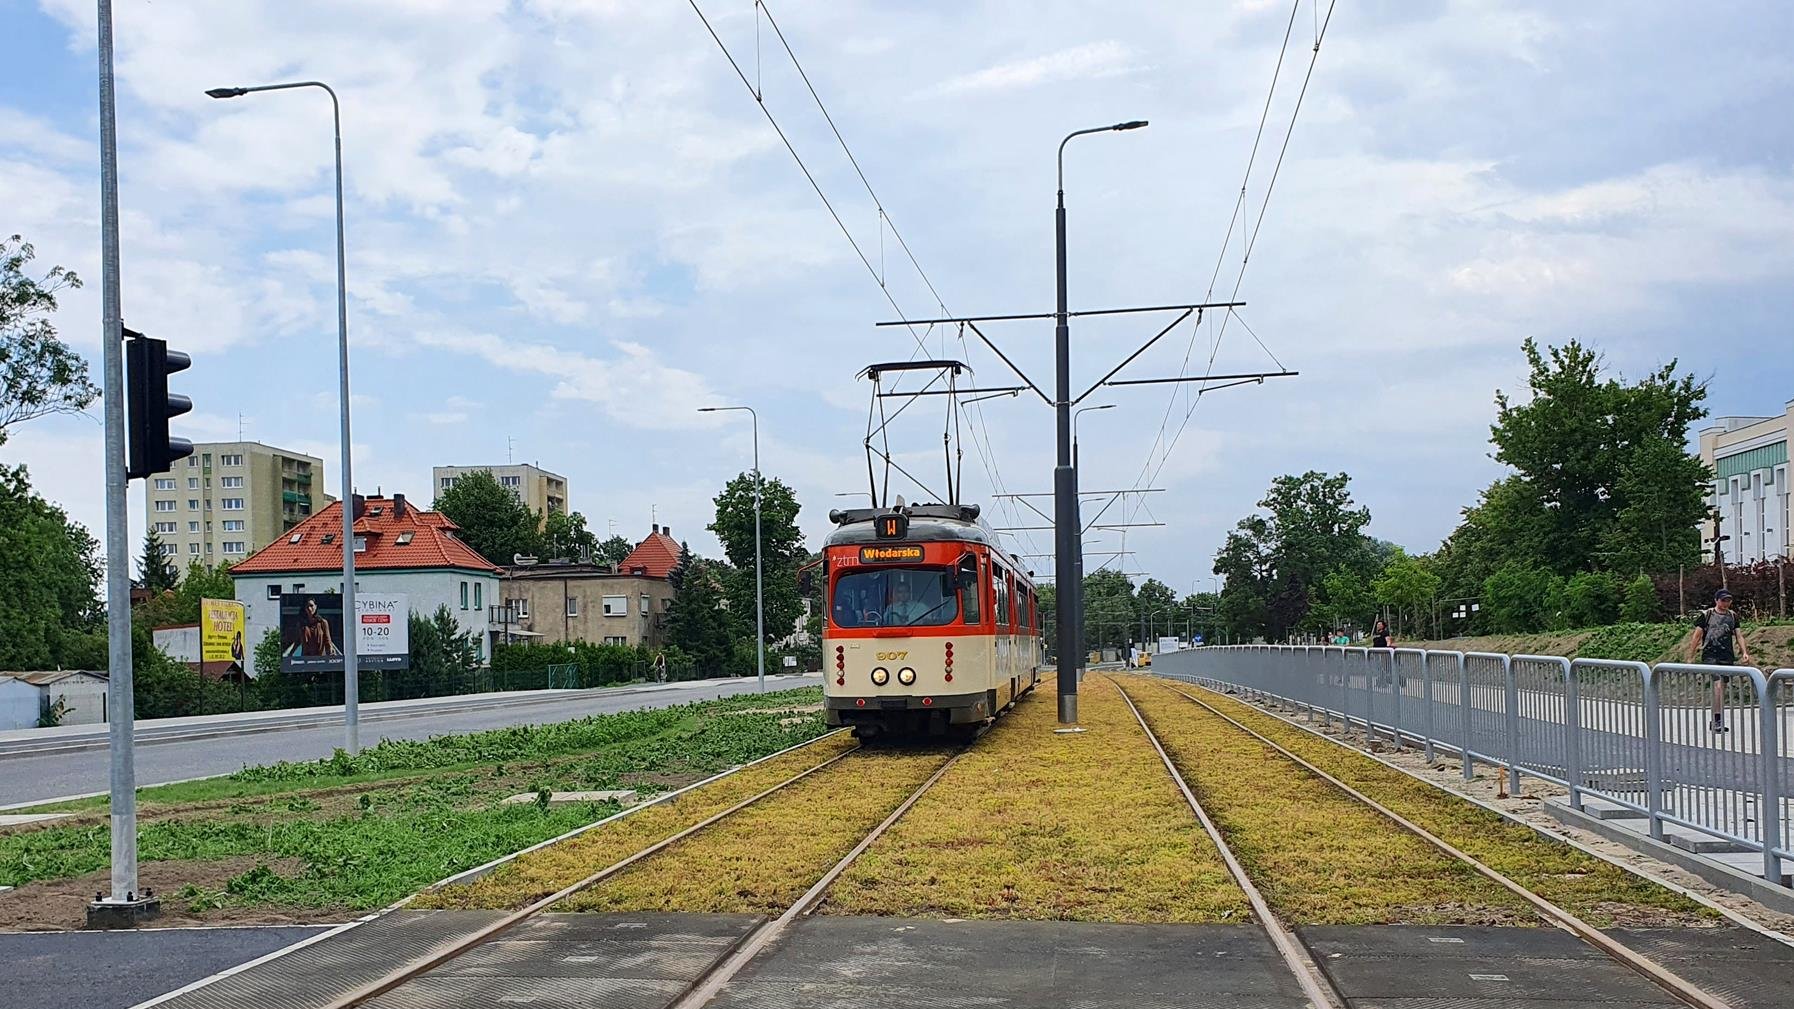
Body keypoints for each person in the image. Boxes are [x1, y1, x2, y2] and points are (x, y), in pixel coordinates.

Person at [1689, 588, 1752, 733]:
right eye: (1723, 600)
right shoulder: (1707, 615)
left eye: (1728, 600)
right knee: (1717, 686)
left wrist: (1744, 652)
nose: (1726, 603)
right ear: (1716, 600)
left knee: (1722, 689)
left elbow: (1739, 635)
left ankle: (1716, 719)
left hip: (1726, 656)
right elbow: (1696, 636)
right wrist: (1691, 656)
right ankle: (1717, 720)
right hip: (1711, 655)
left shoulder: (1733, 616)